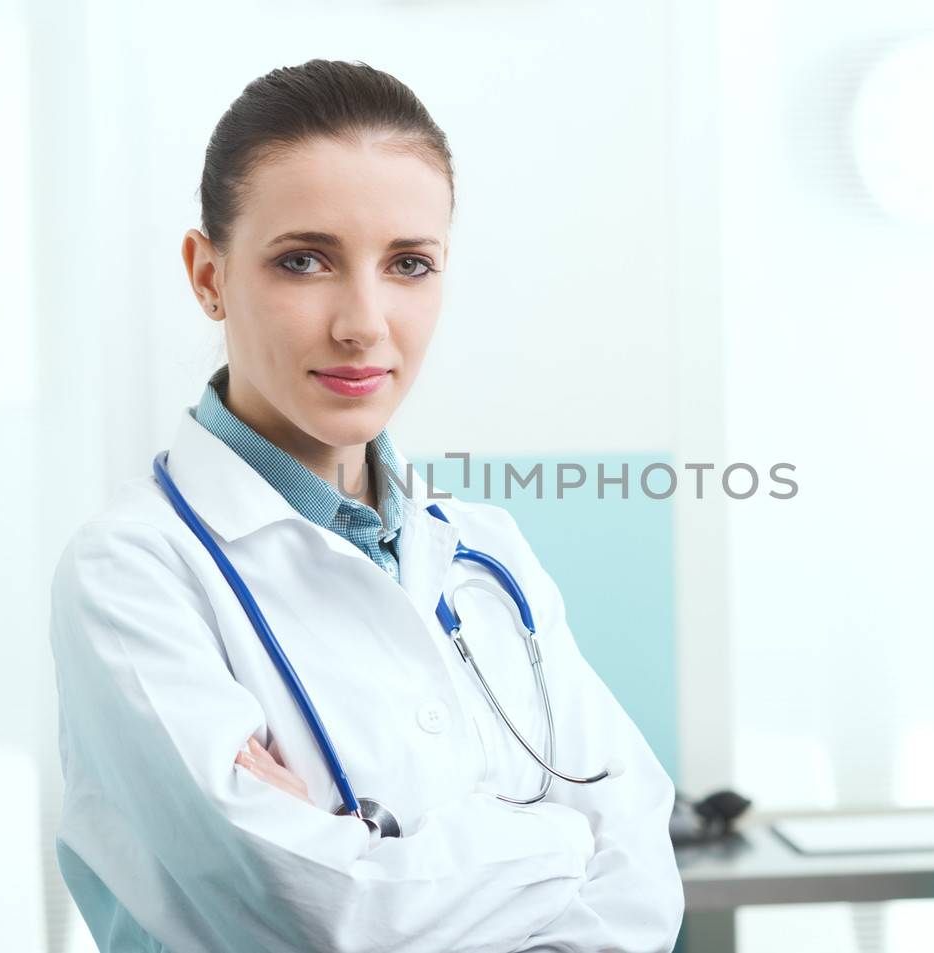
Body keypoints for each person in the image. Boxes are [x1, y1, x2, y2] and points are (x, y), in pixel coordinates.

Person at [48, 59, 684, 952]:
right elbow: (322, 914)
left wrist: (384, 857)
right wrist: (563, 838)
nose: (363, 321)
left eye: (409, 264)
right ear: (208, 275)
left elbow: (643, 872)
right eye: (303, 260)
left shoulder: (485, 550)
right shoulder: (132, 572)